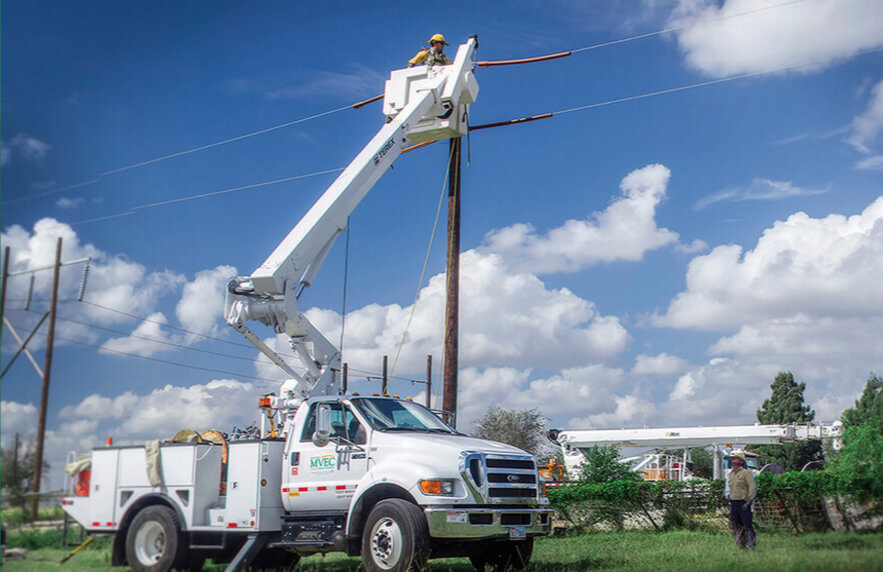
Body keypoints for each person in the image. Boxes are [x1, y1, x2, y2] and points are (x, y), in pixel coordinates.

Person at [727, 453, 757, 549]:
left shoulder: (746, 473)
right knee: (736, 525)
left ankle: (751, 545)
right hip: (733, 502)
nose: (734, 460)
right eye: (733, 459)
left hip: (743, 502)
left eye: (737, 459)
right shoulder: (731, 474)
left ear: (741, 462)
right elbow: (728, 488)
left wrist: (749, 501)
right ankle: (741, 545)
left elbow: (752, 487)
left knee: (747, 525)